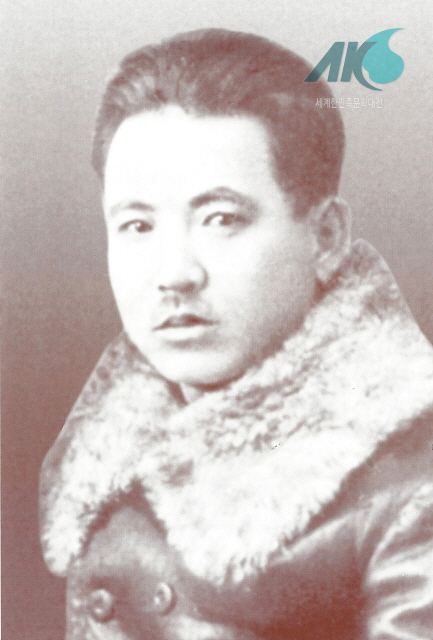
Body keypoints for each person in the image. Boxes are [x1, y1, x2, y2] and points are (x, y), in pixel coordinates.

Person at [39, 29, 433, 640]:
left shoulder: (415, 483)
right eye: (137, 225)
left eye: (221, 219)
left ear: (325, 237)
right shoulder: (97, 459)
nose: (174, 274)